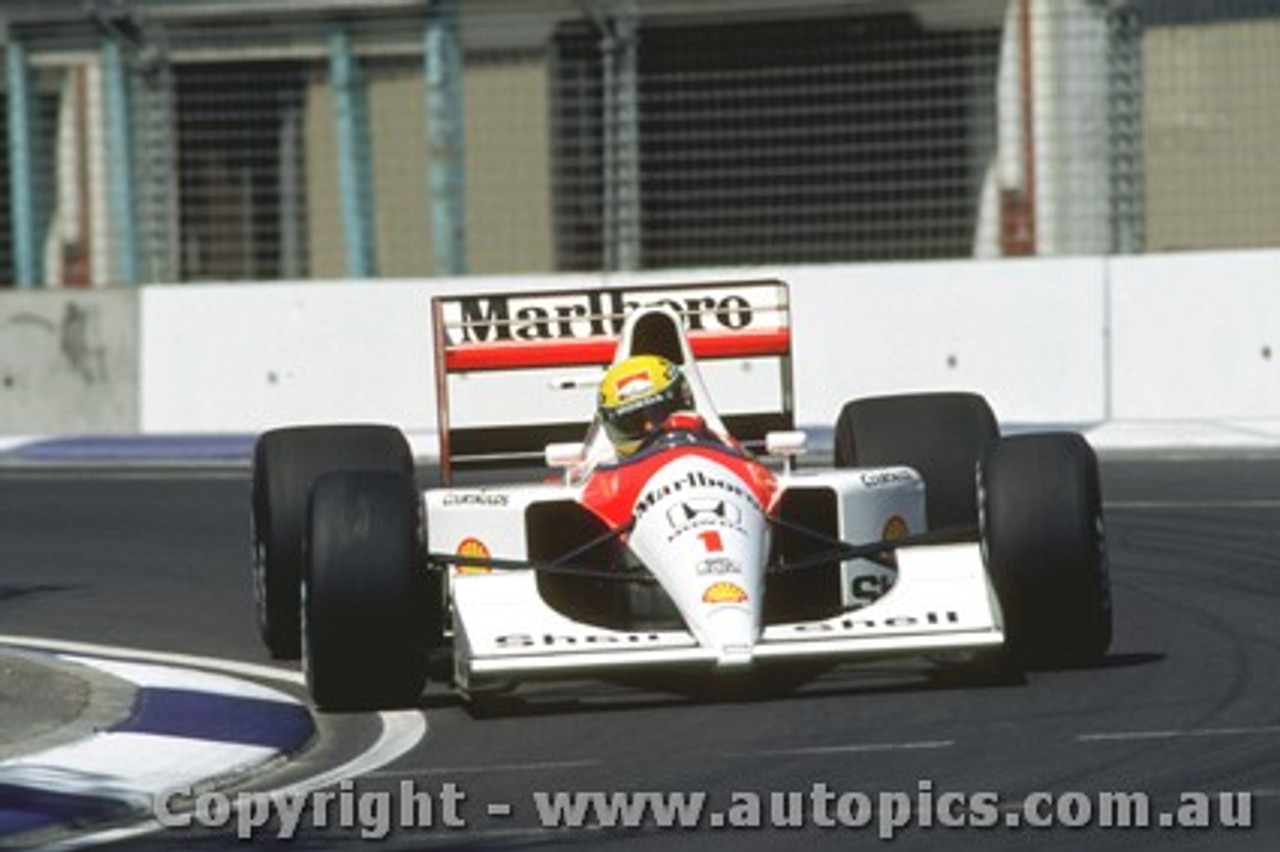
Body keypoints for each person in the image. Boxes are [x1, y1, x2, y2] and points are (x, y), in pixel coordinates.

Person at [596, 354, 698, 458]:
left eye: (658, 413)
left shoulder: (712, 447)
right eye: (634, 421)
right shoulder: (601, 465)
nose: (649, 427)